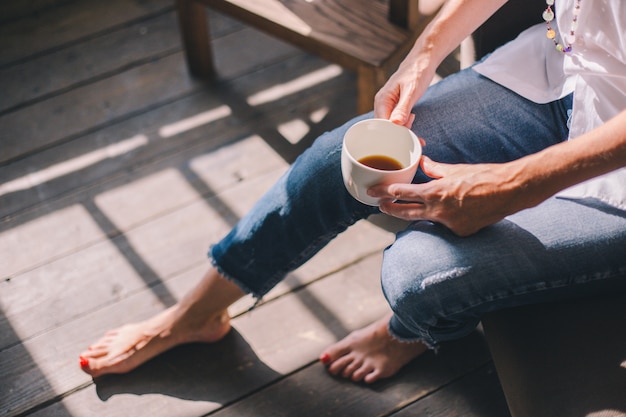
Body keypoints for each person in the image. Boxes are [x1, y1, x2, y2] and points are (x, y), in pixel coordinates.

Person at [79, 0, 626, 383]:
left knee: (418, 277)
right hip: (565, 74)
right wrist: (423, 54)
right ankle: (195, 315)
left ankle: (406, 333)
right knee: (334, 159)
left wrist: (515, 184)